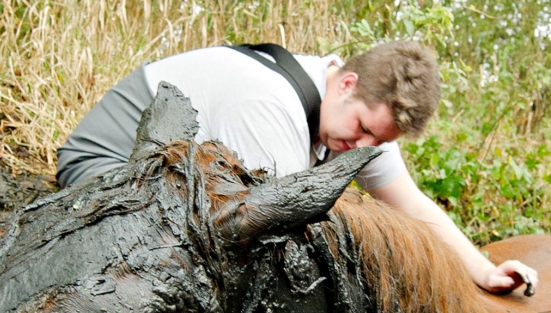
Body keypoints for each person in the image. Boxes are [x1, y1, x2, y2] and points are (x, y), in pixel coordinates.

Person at [56, 41, 537, 295]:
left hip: (175, 176)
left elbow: (412, 205)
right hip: (107, 169)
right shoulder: (272, 105)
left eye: (379, 142)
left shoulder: (354, 119)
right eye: (363, 129)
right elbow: (279, 235)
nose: (363, 147)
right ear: (346, 83)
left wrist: (483, 270)